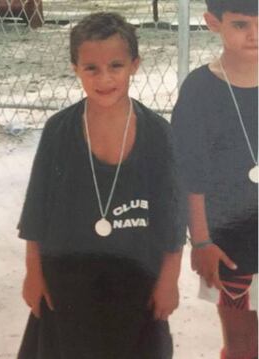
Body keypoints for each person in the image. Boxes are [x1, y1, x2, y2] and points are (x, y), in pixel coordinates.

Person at [17, 12, 185, 359]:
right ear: (75, 68)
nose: (104, 78)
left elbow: (172, 218)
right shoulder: (59, 131)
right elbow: (37, 209)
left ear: (135, 65)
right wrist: (33, 273)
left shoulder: (158, 135)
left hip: (136, 280)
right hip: (67, 281)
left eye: (116, 66)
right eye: (91, 68)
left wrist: (170, 279)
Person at [171, 1, 258, 358]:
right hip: (231, 245)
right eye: (240, 25)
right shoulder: (199, 90)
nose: (255, 34)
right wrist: (202, 242)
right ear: (212, 23)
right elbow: (191, 175)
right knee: (241, 346)